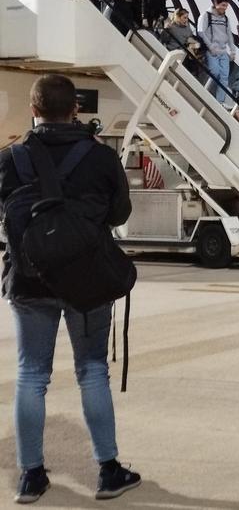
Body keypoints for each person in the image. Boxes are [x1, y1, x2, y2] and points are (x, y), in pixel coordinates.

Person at [0, 74, 142, 503]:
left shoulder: (11, 157)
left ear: (34, 110)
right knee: (92, 371)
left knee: (31, 375)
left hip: (29, 277)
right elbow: (119, 214)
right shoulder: (101, 158)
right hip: (87, 279)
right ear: (75, 109)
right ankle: (108, 470)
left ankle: (31, 476)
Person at [197, 0, 239, 106]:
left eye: (226, 6)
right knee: (214, 73)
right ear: (216, 4)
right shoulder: (206, 16)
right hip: (212, 51)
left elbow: (229, 35)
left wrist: (233, 51)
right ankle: (204, 94)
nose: (225, 8)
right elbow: (201, 32)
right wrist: (210, 47)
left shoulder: (225, 19)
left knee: (224, 77)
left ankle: (219, 101)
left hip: (223, 51)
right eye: (223, 5)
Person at [161, 8, 204, 76]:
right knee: (188, 52)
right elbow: (163, 40)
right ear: (178, 17)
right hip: (177, 51)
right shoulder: (171, 27)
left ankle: (196, 63)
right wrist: (166, 30)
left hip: (185, 48)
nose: (186, 20)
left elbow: (189, 37)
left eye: (187, 18)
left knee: (198, 45)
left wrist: (196, 44)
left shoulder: (186, 27)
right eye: (184, 18)